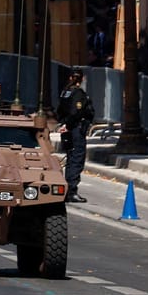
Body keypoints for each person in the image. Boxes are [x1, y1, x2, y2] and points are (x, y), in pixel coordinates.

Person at [56, 70, 94, 204]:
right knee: (76, 159)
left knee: (71, 158)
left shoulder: (65, 92)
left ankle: (68, 189)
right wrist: (69, 124)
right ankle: (71, 191)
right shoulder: (78, 93)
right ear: (82, 79)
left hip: (68, 128)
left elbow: (59, 110)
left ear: (70, 77)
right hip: (75, 129)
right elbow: (75, 112)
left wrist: (64, 123)